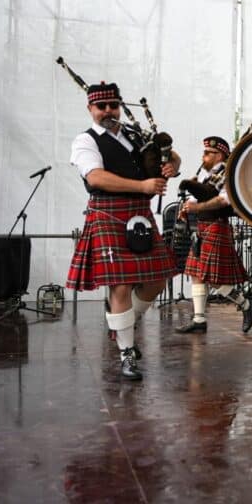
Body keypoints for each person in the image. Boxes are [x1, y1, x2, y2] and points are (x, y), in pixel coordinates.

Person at [66, 81, 180, 380]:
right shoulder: (86, 141)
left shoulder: (134, 134)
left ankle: (126, 323)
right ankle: (127, 353)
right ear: (90, 109)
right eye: (101, 106)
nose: (107, 111)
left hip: (140, 213)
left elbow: (171, 158)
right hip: (109, 214)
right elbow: (96, 177)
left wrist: (170, 163)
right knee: (121, 285)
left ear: (120, 106)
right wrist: (142, 186)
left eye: (113, 105)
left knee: (157, 280)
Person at [175, 136, 252, 335]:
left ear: (219, 155)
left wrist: (197, 206)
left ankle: (247, 304)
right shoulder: (210, 176)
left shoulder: (229, 173)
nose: (203, 157)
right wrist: (187, 207)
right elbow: (203, 196)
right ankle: (199, 320)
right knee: (197, 275)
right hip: (202, 227)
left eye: (207, 153)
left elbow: (223, 201)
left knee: (213, 279)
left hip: (216, 226)